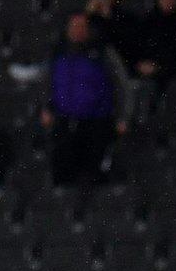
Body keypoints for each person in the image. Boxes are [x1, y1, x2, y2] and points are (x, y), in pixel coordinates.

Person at [43, 13, 123, 186]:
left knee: (93, 172)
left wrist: (123, 117)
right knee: (63, 168)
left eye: (81, 27)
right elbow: (50, 83)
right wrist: (47, 107)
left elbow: (120, 84)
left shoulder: (102, 52)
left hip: (96, 120)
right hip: (65, 119)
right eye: (73, 26)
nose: (76, 30)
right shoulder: (59, 52)